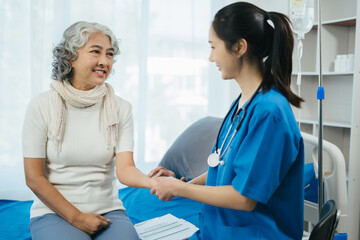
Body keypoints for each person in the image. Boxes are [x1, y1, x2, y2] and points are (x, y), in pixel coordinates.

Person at [148, 2, 305, 239]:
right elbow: (221, 168)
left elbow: (244, 198)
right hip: (219, 229)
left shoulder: (270, 112)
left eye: (213, 47)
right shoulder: (243, 103)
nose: (211, 58)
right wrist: (185, 185)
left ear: (239, 46)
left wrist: (179, 189)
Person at [22, 21, 152, 240]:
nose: (105, 61)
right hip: (54, 212)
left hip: (108, 211)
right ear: (70, 57)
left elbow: (126, 169)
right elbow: (34, 178)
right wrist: (77, 217)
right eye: (95, 52)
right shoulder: (41, 106)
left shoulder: (121, 108)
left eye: (110, 54)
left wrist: (155, 182)